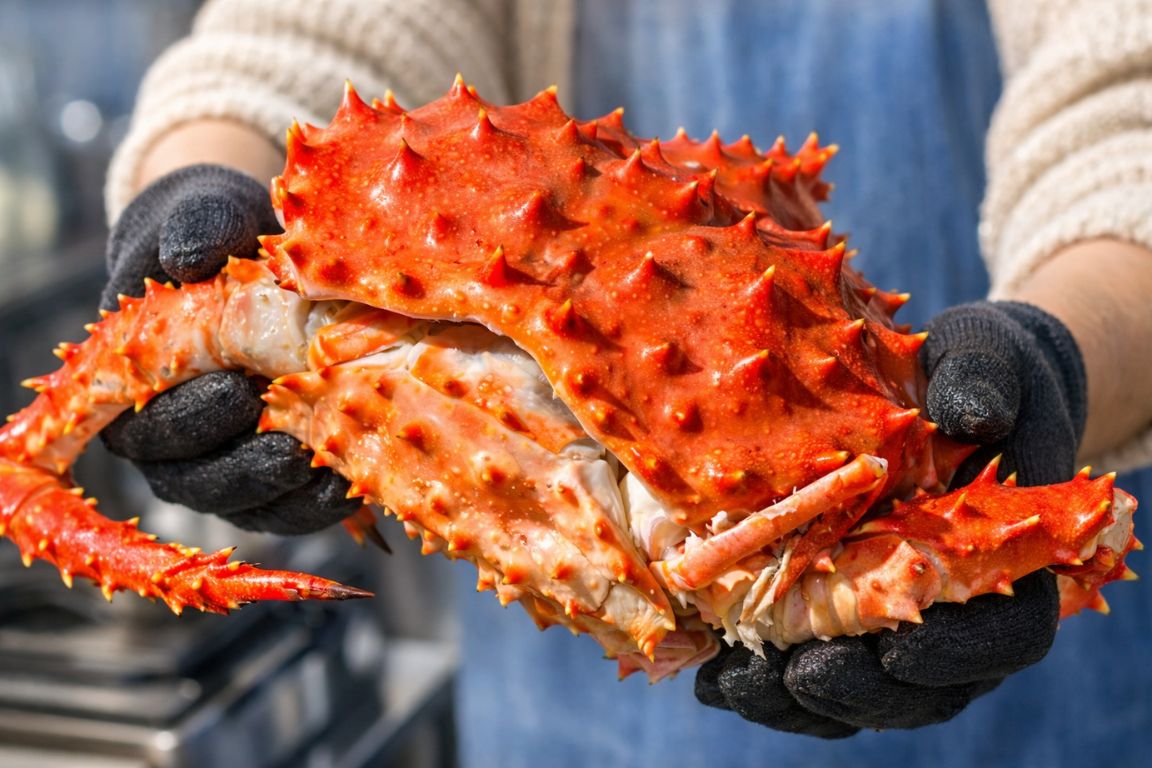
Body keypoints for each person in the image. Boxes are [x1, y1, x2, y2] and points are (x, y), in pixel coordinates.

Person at [98, 0, 1152, 765]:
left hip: (983, 623)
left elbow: (1130, 94)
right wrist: (193, 193)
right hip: (570, 715)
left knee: (1081, 537)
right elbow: (308, 33)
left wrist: (1062, 356)